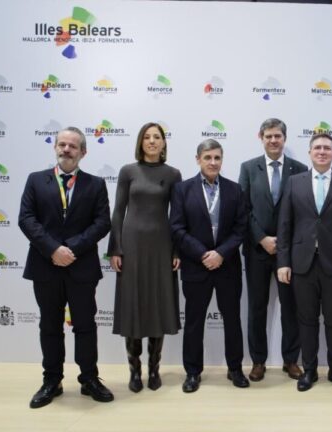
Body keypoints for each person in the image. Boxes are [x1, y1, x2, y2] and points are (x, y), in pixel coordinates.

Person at [18, 126, 113, 408]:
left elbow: (102, 223)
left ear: (83, 152)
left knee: (85, 326)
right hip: (45, 266)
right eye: (62, 144)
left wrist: (70, 248)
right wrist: (53, 249)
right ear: (55, 147)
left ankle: (89, 379)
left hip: (81, 266)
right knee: (49, 325)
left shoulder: (96, 184)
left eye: (73, 146)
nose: (66, 150)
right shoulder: (36, 180)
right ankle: (52, 381)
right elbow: (26, 219)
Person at [277, 133, 332, 392]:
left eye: (327, 148)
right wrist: (283, 262)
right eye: (317, 148)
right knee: (306, 320)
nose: (322, 152)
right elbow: (285, 225)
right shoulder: (294, 182)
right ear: (310, 152)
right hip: (301, 264)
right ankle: (310, 371)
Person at [170, 139, 249, 393]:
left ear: (222, 160)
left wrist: (221, 254)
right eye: (208, 158)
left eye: (217, 158)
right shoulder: (182, 190)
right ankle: (193, 372)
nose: (213, 162)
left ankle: (235, 369)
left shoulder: (235, 190)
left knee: (232, 320)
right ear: (198, 160)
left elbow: (241, 228)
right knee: (194, 322)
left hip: (227, 266)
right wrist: (204, 254)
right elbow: (177, 228)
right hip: (196, 266)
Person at [108, 122, 182, 393]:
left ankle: (154, 370)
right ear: (140, 142)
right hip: (132, 245)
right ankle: (134, 371)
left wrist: (177, 250)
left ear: (163, 143)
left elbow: (178, 216)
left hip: (161, 246)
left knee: (158, 304)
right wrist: (115, 248)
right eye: (147, 137)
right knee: (132, 305)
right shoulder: (128, 171)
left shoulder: (173, 174)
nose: (152, 141)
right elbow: (118, 211)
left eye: (157, 137)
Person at [238, 118, 307, 382]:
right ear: (261, 137)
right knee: (257, 308)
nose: (273, 140)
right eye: (269, 136)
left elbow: (302, 211)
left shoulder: (299, 169)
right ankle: (258, 361)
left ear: (284, 139)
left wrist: (282, 242)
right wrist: (261, 238)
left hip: (288, 253)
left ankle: (291, 360)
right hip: (257, 250)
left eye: (278, 136)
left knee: (291, 307)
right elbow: (243, 209)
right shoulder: (248, 168)